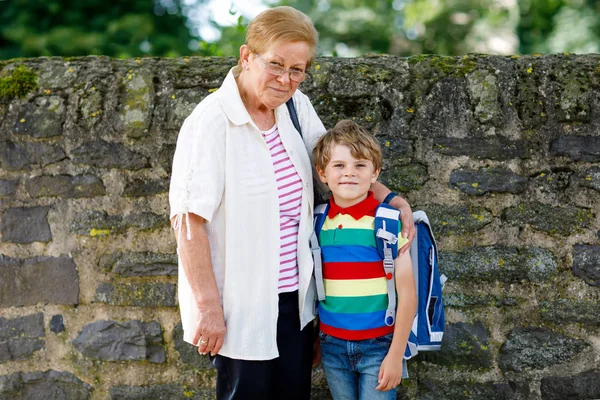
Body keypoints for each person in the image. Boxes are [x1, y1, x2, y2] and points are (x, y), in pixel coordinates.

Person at [168, 6, 415, 400]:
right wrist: (209, 309)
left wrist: (390, 198)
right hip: (240, 307)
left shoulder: (296, 109)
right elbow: (188, 222)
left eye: (297, 70)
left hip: (296, 305)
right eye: (276, 64)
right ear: (247, 56)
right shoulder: (210, 122)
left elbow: (335, 167)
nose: (285, 80)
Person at [312, 120, 417, 400]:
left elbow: (407, 294)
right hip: (331, 345)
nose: (349, 173)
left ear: (375, 173)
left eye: (360, 165)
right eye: (339, 166)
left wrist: (396, 355)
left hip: (379, 345)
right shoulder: (316, 222)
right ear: (322, 173)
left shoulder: (388, 224)